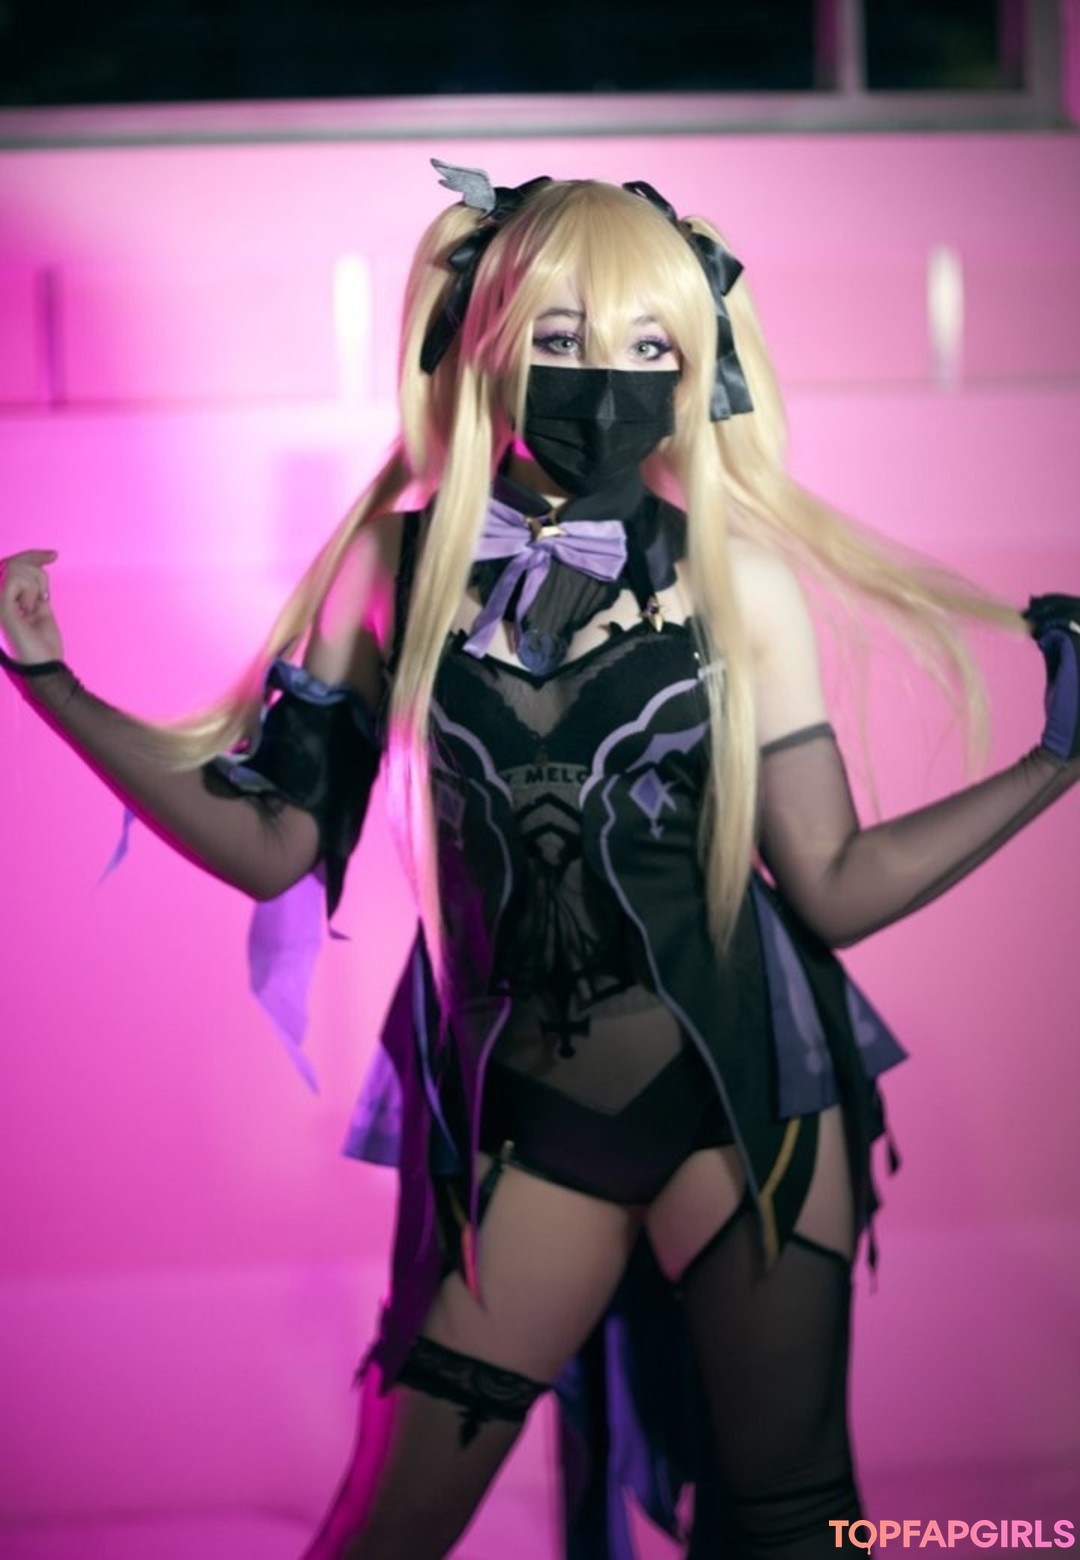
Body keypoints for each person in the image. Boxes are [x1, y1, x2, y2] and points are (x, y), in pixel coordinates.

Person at [1, 164, 1078, 1560]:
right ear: (488, 338)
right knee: (386, 1533)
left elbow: (829, 883)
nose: (606, 381)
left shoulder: (736, 575)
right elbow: (276, 849)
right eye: (562, 336)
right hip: (521, 1125)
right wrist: (52, 684)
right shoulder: (394, 570)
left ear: (698, 369)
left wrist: (1056, 760)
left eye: (651, 345)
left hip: (748, 1106)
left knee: (798, 1526)